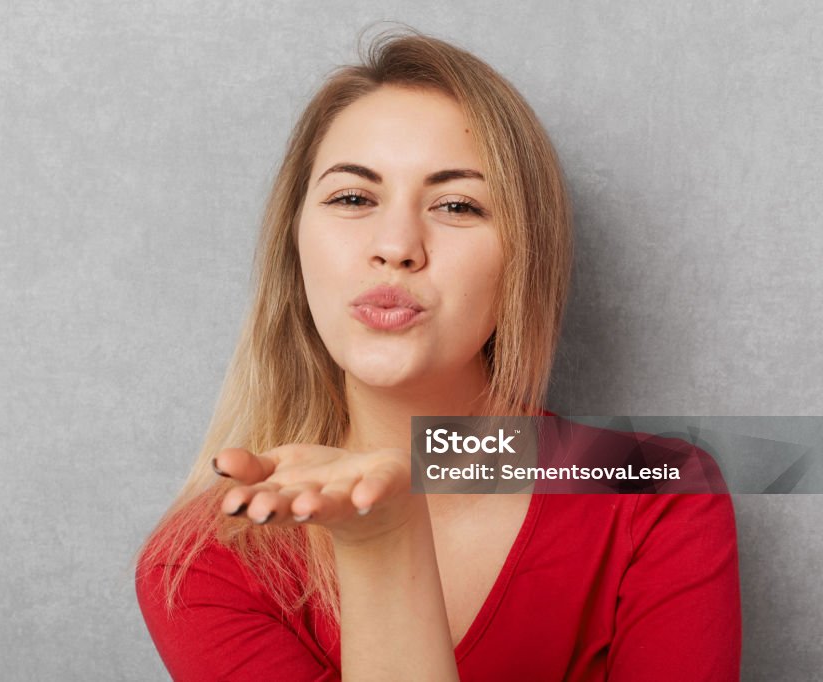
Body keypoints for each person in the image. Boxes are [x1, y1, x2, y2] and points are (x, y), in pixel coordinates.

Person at [134, 29, 741, 681]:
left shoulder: (653, 488)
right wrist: (381, 540)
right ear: (295, 244)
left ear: (524, 258)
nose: (396, 246)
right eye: (353, 198)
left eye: (457, 205)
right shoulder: (200, 562)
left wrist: (390, 533)